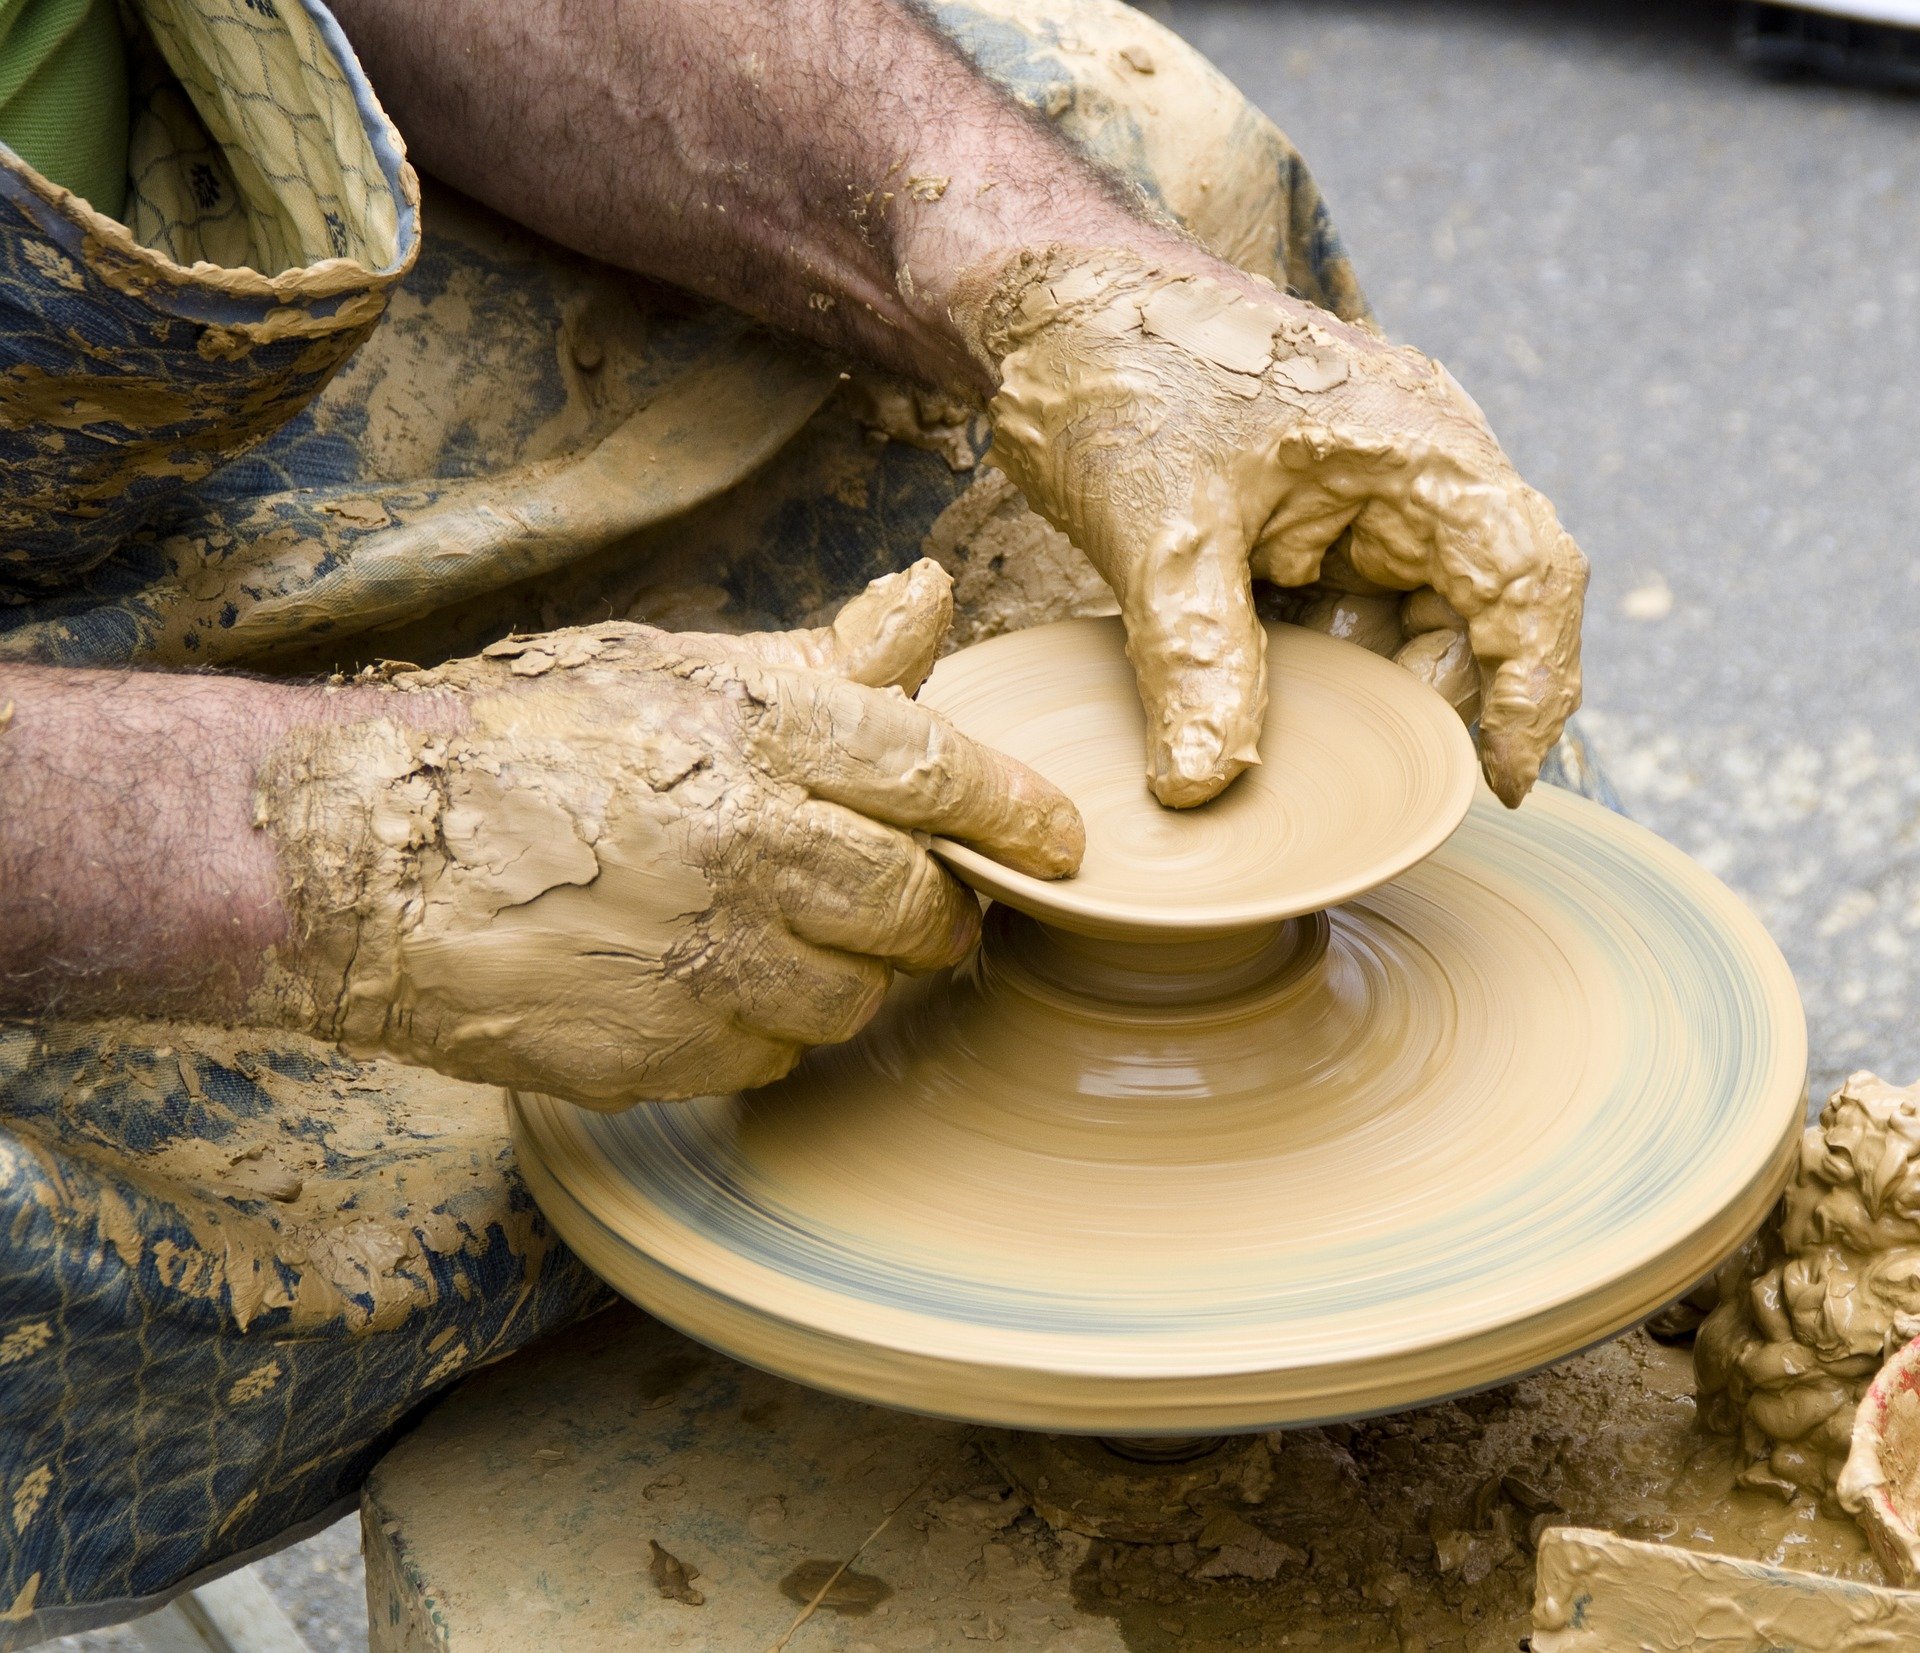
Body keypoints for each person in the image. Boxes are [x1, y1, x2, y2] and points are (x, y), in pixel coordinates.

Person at [0, 0, 1588, 1636]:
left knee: (1147, 187)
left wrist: (1026, 265)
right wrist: (310, 840)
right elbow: (281, 840)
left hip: (164, 261)